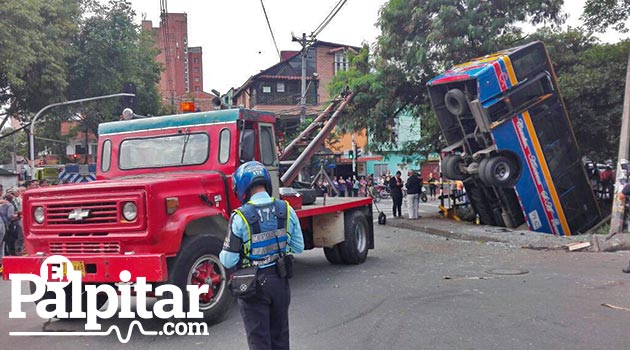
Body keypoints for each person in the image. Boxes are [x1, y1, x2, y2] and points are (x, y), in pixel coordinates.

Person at [220, 161, 304, 350]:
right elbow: (299, 247)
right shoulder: (286, 210)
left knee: (259, 341)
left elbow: (228, 260)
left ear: (242, 187)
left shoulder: (240, 217)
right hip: (280, 282)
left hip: (253, 286)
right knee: (281, 338)